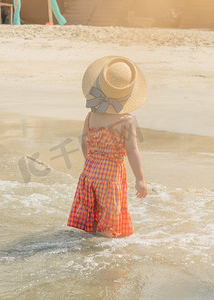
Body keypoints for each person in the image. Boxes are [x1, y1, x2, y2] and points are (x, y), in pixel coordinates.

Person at [67, 56, 148, 238]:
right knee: (108, 223)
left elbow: (83, 141)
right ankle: (103, 255)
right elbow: (132, 150)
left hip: (89, 172)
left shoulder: (91, 116)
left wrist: (92, 162)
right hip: (110, 175)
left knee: (92, 216)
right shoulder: (126, 120)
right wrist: (140, 179)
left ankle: (88, 251)